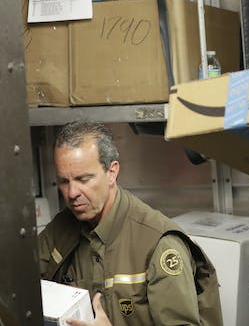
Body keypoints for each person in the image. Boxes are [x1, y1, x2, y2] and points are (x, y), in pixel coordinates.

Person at [38, 121, 223, 326]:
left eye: (84, 179)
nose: (72, 193)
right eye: (64, 181)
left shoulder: (159, 245)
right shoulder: (61, 230)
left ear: (112, 172)